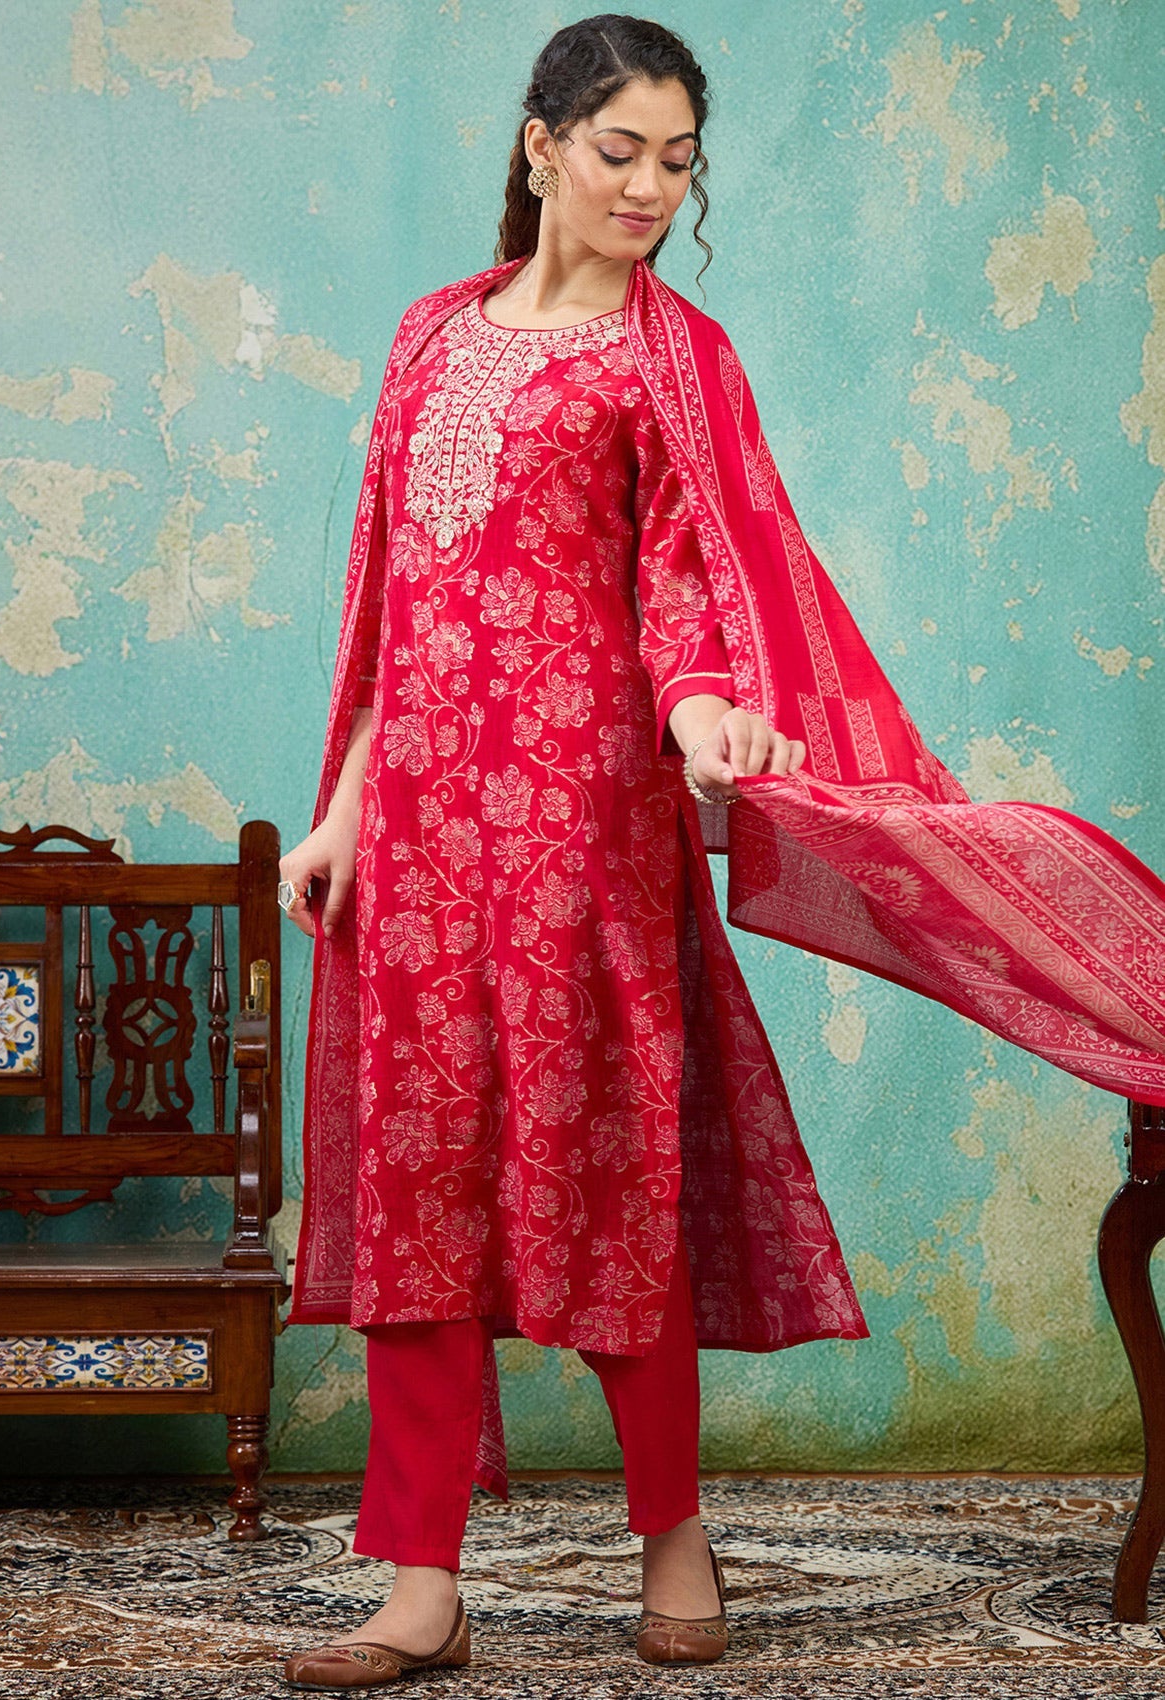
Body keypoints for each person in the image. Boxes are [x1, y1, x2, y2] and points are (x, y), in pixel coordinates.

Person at [277, 12, 1165, 1691]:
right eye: (620, 152)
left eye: (678, 163)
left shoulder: (670, 355)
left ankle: (672, 1538)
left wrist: (703, 719)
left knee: (614, 1179)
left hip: (582, 832)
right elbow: (394, 606)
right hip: (415, 842)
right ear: (542, 144)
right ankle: (419, 1581)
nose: (650, 190)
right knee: (417, 1183)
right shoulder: (427, 338)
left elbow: (688, 579)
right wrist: (341, 810)